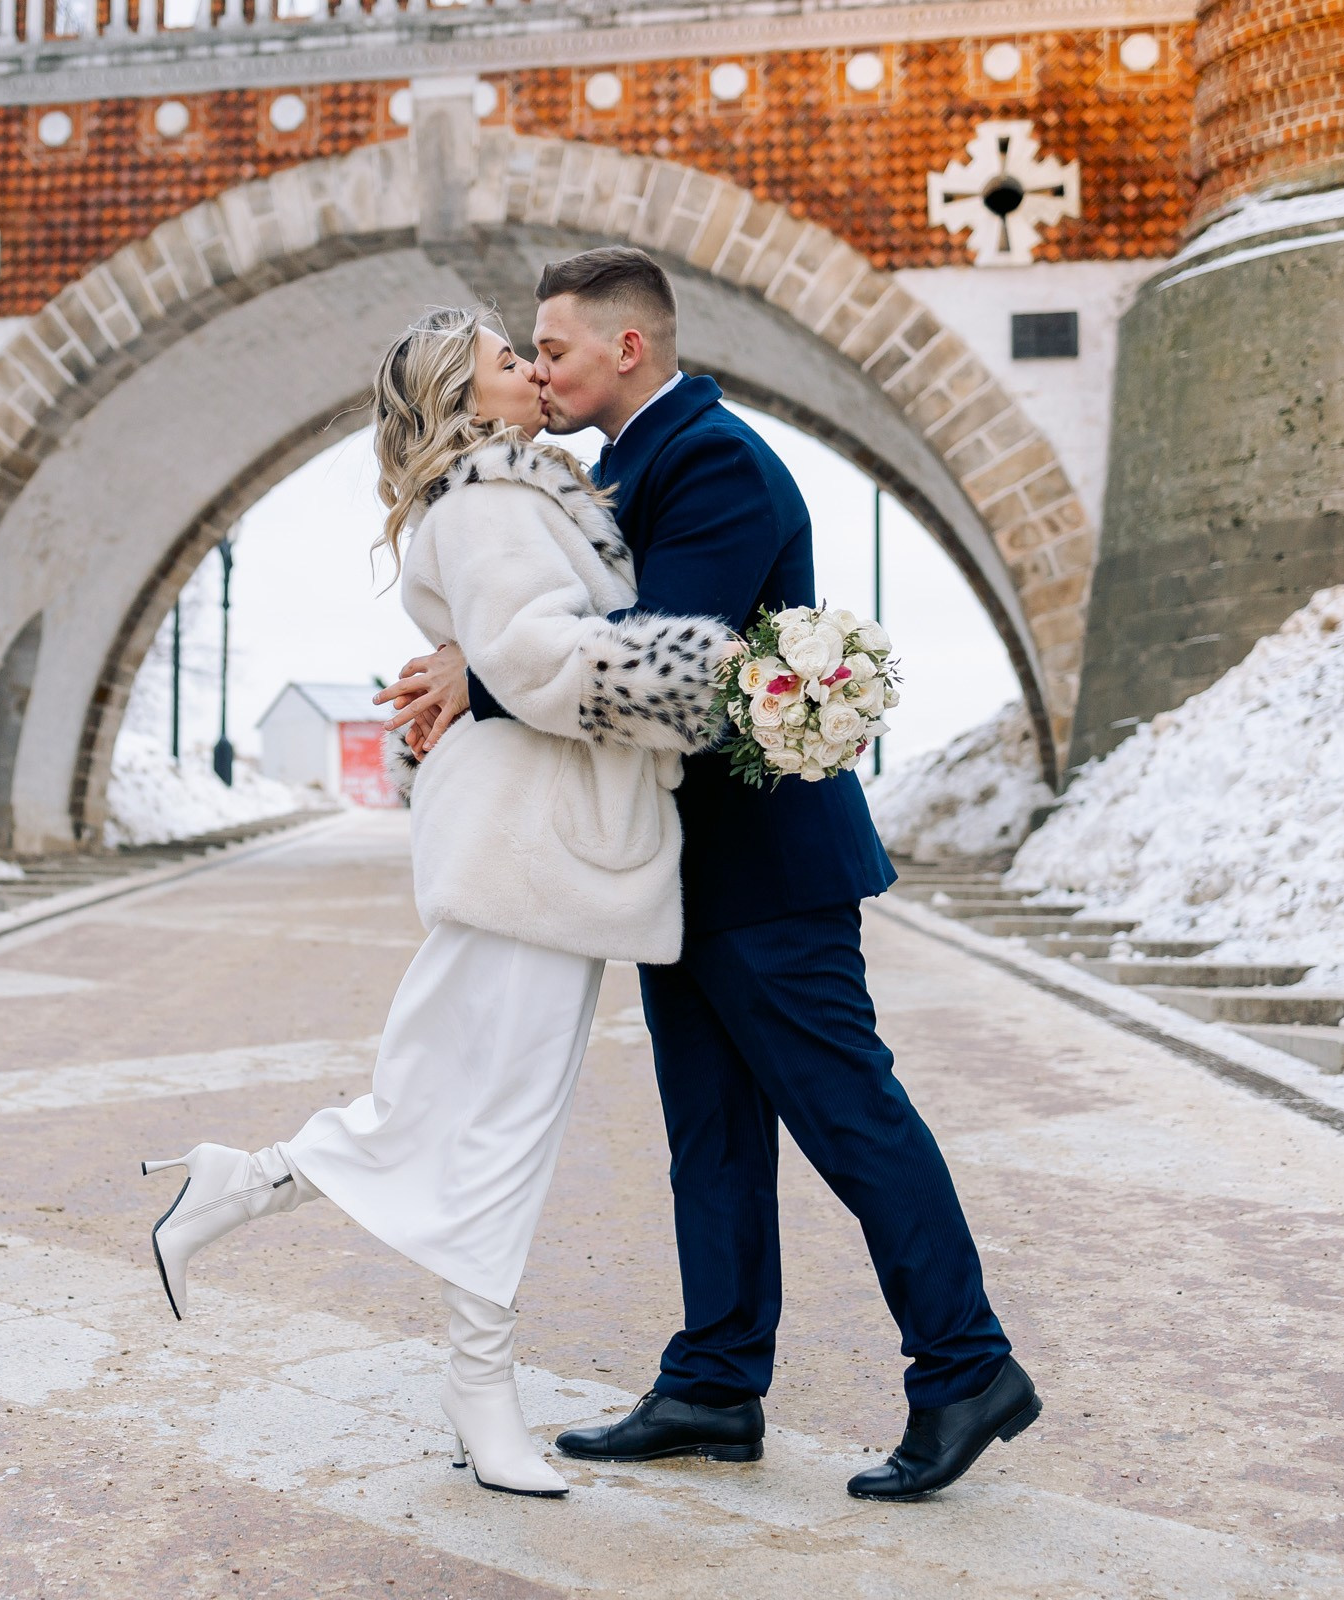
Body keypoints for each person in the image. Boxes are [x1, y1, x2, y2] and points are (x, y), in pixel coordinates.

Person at [382, 248, 1039, 1503]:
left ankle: (965, 1366)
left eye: (556, 347)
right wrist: (479, 644)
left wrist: (489, 677)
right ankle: (714, 1382)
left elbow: (664, 662)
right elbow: (567, 619)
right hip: (688, 872)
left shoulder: (713, 460)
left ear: (627, 347)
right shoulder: (620, 470)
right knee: (711, 1139)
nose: (542, 368)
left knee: (851, 1117)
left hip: (769, 867)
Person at [142, 306, 729, 1499]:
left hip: (533, 841)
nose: (530, 367)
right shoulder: (497, 502)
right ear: (468, 406)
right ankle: (471, 1383)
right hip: (533, 842)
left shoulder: (510, 498)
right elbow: (543, 664)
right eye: (506, 361)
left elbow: (510, 657)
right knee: (488, 1123)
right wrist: (697, 676)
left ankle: (251, 1192)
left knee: (467, 1110)